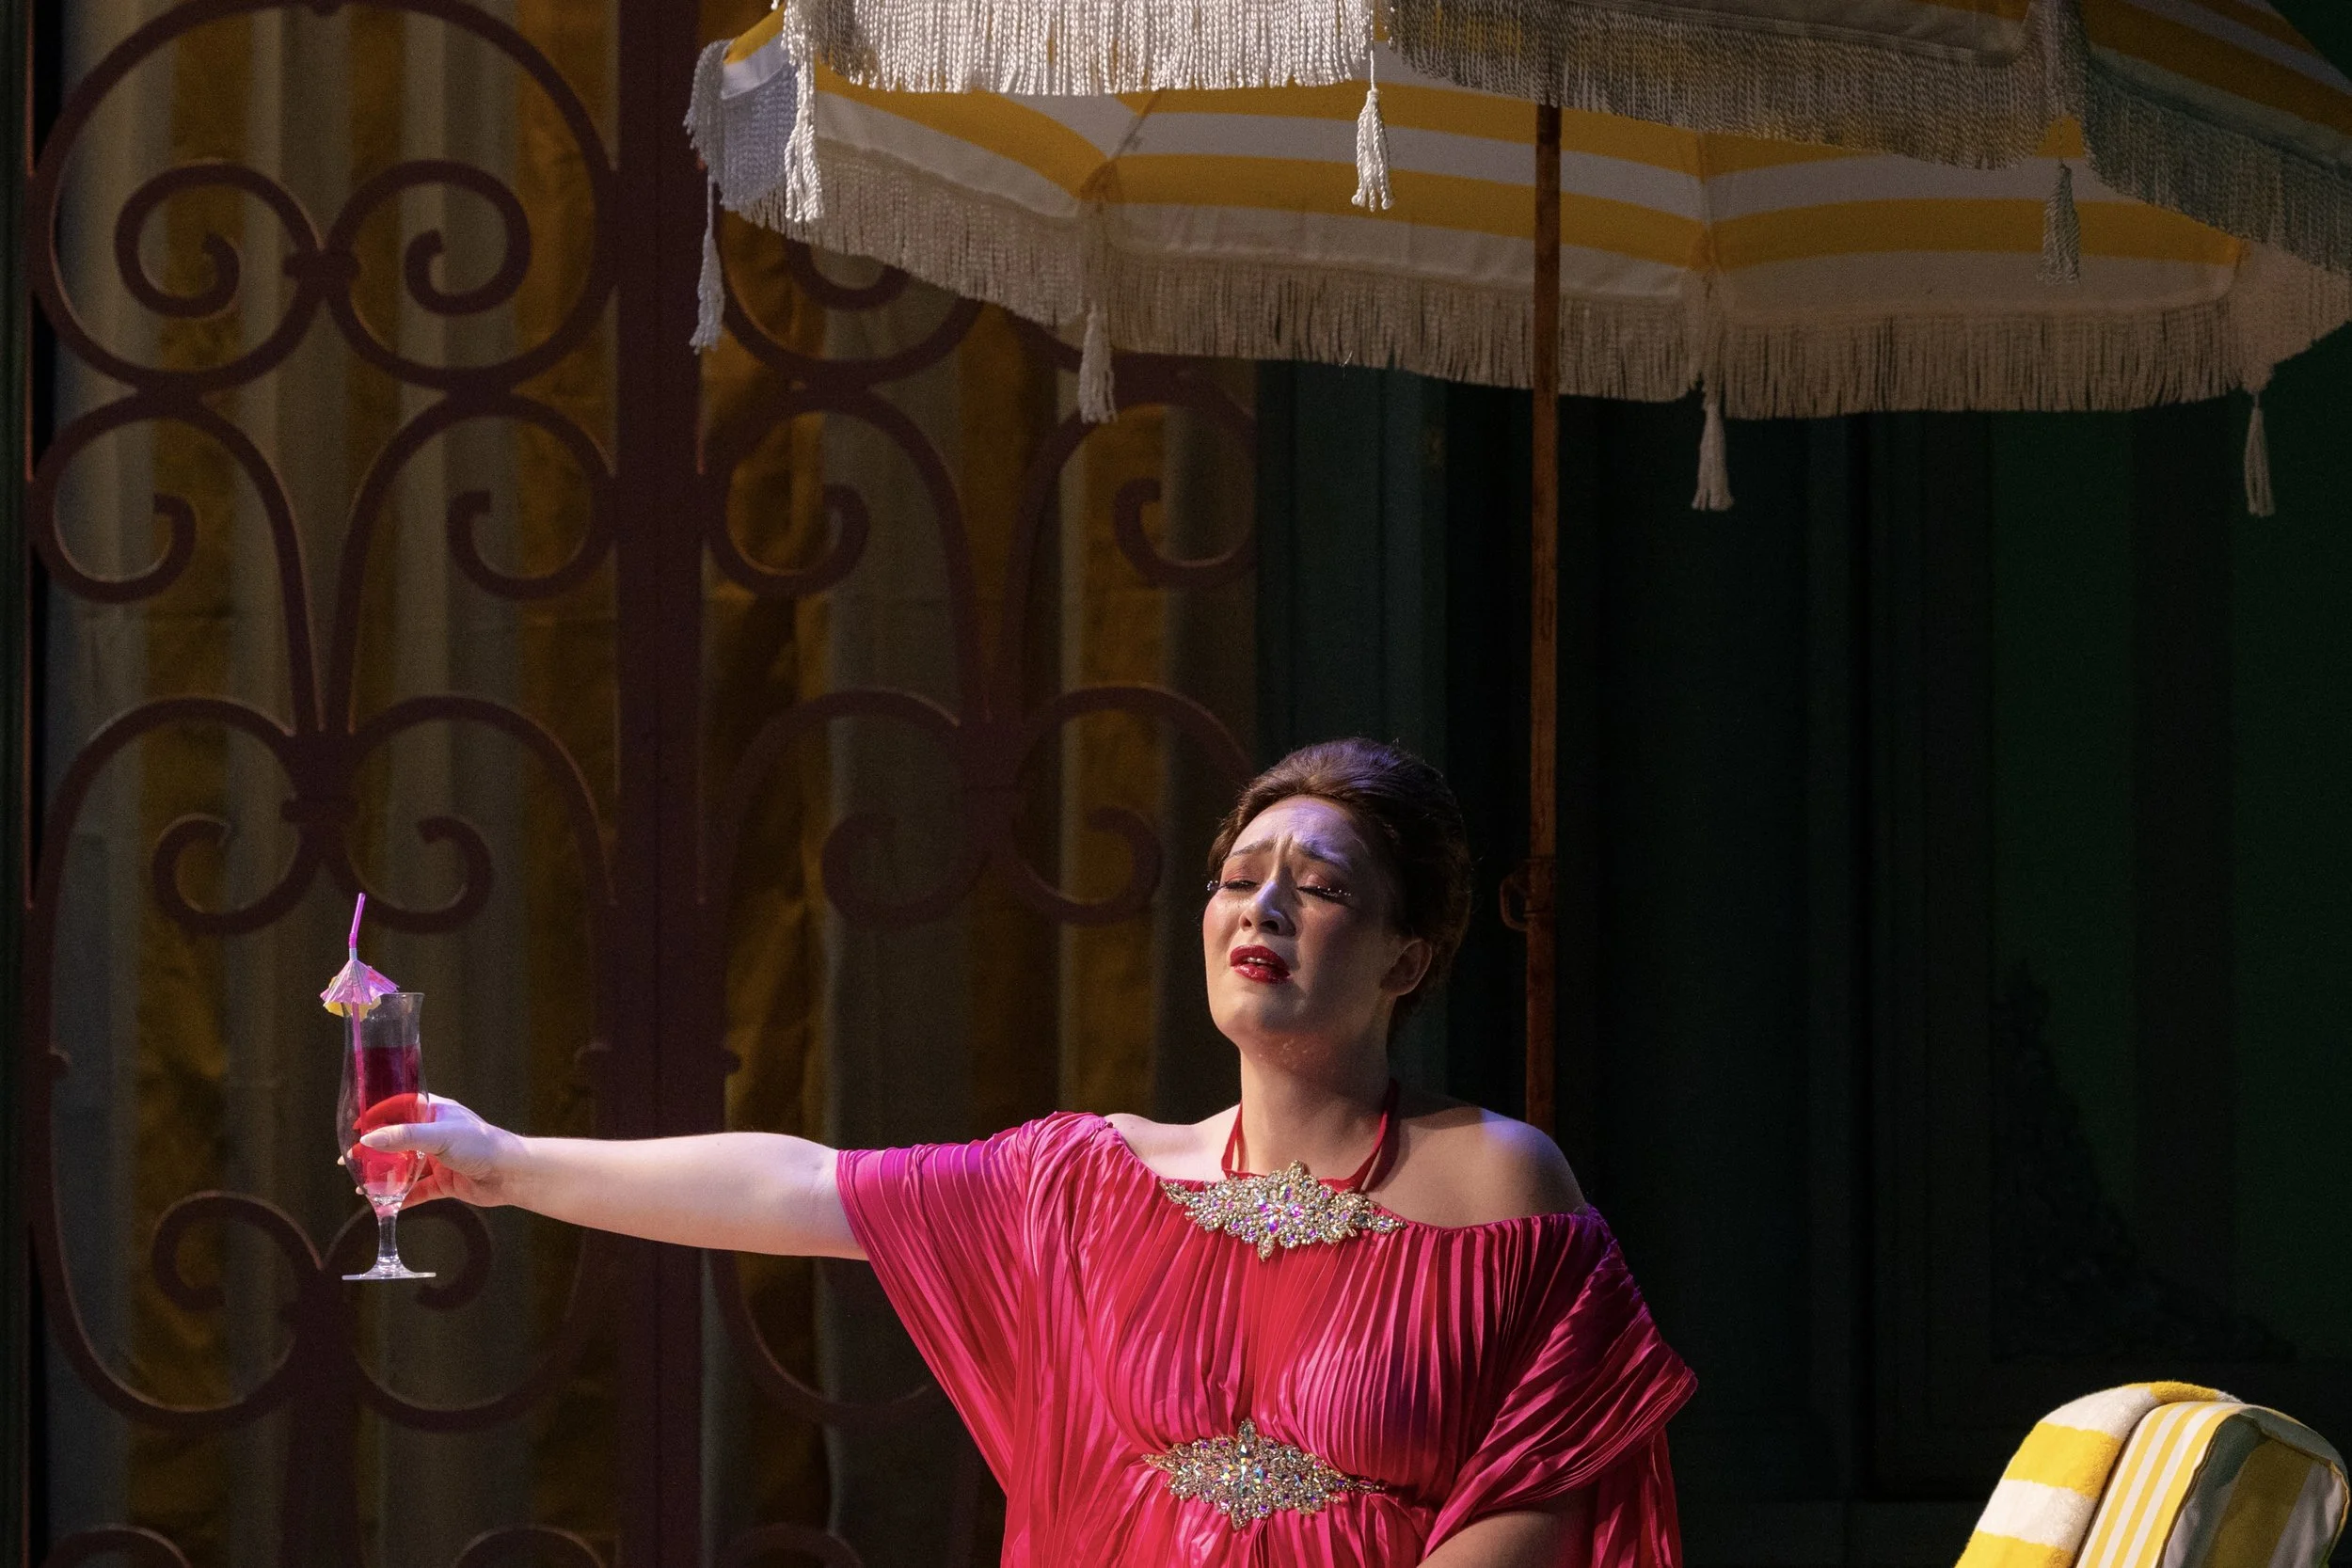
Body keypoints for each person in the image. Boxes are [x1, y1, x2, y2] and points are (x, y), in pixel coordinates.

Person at [368, 738, 1695, 1567]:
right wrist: (505, 1160)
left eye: (1323, 883)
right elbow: (800, 1184)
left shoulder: (1498, 1188)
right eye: (1241, 877)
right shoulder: (1086, 1184)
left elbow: (1538, 1504)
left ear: (1407, 956)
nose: (1267, 903)